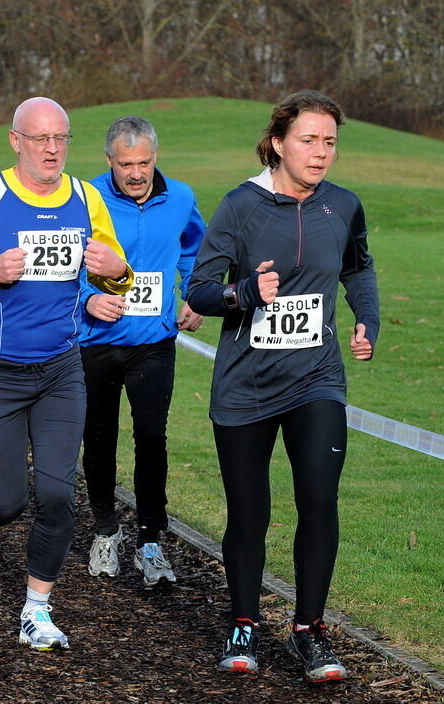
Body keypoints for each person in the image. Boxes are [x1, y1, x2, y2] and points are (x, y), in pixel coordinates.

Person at [0, 97, 133, 650]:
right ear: (16, 141)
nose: (51, 149)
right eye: (40, 139)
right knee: (10, 498)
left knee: (59, 497)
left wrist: (116, 278)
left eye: (61, 139)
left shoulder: (87, 198)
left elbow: (112, 275)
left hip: (61, 369)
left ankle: (35, 610)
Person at [186, 91, 379, 682]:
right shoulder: (240, 207)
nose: (321, 153)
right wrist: (245, 294)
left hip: (316, 377)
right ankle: (244, 622)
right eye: (308, 140)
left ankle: (310, 630)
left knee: (318, 499)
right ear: (277, 143)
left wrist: (365, 317)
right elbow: (199, 290)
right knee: (249, 513)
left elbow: (357, 266)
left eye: (329, 143)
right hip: (245, 385)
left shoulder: (343, 206)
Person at [80, 116, 206, 587]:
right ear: (109, 161)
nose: (136, 173)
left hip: (153, 342)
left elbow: (196, 248)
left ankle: (151, 538)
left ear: (157, 156)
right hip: (96, 340)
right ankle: (105, 530)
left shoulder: (182, 198)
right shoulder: (86, 197)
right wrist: (88, 298)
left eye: (145, 162)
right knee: (99, 439)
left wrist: (194, 292)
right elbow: (68, 261)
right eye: (126, 164)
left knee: (152, 438)